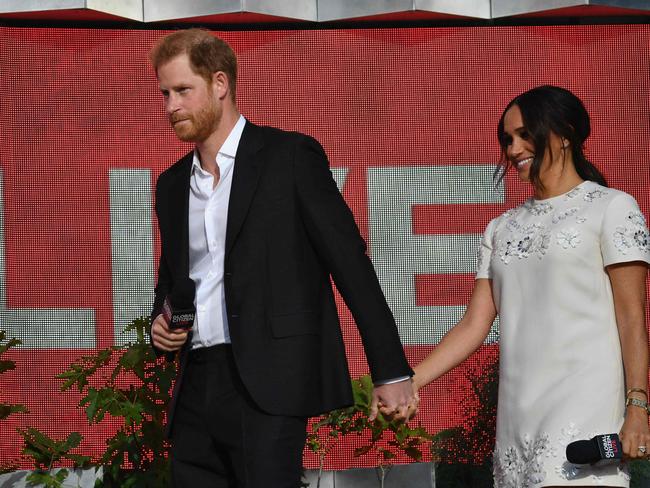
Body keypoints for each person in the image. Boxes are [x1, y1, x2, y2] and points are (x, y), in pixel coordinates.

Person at [148, 28, 417, 488]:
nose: (171, 106)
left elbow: (350, 263)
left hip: (269, 383)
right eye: (165, 93)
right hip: (195, 388)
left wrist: (390, 369)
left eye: (182, 91)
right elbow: (175, 278)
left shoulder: (288, 156)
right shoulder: (172, 184)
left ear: (219, 83)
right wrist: (160, 320)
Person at [410, 85, 650, 487]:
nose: (513, 148)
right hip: (516, 422)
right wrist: (409, 383)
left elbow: (631, 318)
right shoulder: (500, 227)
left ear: (565, 133)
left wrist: (638, 406)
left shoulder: (612, 207)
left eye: (525, 134)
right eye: (507, 138)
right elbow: (474, 324)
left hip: (584, 408)